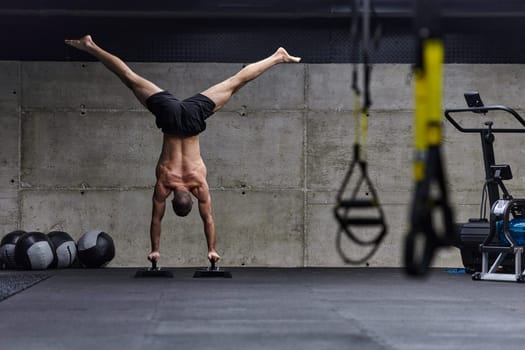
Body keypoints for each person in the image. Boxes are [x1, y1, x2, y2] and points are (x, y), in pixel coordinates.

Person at [65, 35, 301, 265]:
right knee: (129, 78)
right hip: (169, 117)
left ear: (192, 197)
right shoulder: (165, 184)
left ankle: (277, 57)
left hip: (192, 120)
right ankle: (91, 46)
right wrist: (154, 250)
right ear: (171, 198)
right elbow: (157, 219)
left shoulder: (199, 184)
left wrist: (212, 249)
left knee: (236, 83)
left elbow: (207, 218)